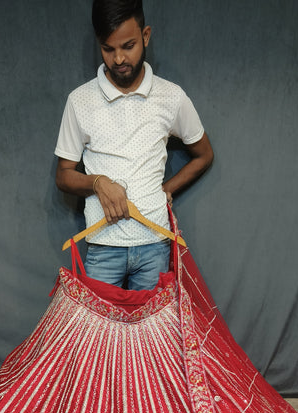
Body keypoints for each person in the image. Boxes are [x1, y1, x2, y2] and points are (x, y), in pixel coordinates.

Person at [54, 0, 214, 290]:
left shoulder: (171, 97)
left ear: (146, 36)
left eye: (128, 46)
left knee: (152, 337)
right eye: (108, 48)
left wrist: (166, 189)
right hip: (102, 247)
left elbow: (203, 155)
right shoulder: (79, 101)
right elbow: (63, 175)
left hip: (155, 246)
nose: (118, 59)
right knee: (97, 337)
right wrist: (98, 183)